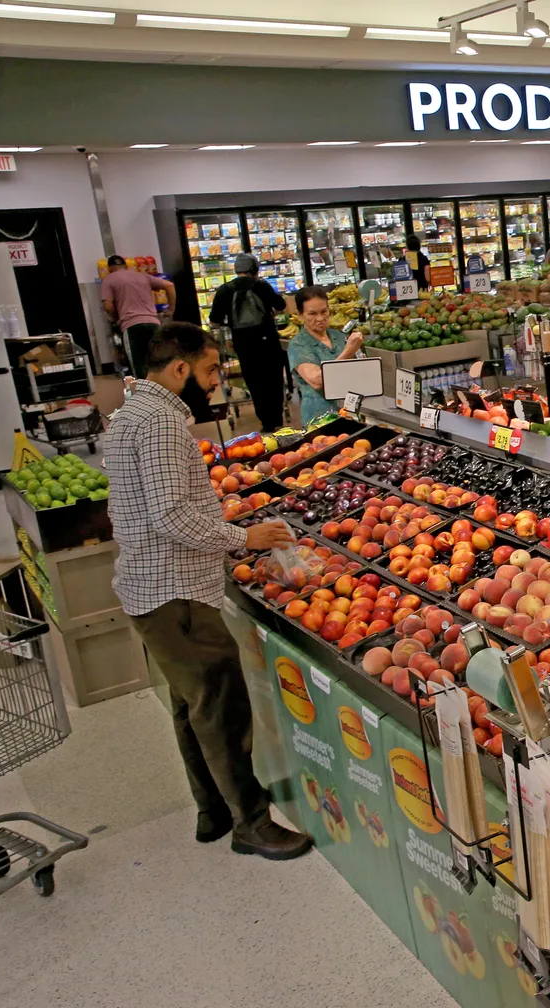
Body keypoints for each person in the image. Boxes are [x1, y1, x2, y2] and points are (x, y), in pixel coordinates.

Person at [104, 322, 311, 859]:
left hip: (150, 588)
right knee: (219, 704)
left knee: (190, 703)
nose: (217, 381)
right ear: (179, 370)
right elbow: (171, 515)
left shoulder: (132, 413)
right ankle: (251, 823)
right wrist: (244, 536)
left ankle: (212, 810)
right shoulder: (162, 426)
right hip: (176, 593)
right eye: (211, 370)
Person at [207, 253, 288, 430]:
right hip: (268, 340)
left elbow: (214, 320)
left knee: (255, 382)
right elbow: (281, 305)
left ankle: (266, 422)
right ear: (255, 270)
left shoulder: (225, 290)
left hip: (243, 344)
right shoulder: (261, 286)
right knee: (273, 380)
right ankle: (277, 420)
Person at [287, 286, 363, 423]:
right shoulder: (298, 345)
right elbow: (317, 381)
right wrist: (348, 352)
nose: (320, 318)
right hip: (320, 418)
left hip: (351, 413)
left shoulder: (339, 337)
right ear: (300, 315)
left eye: (324, 311)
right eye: (312, 314)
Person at [100, 254, 176, 377]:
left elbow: (107, 306)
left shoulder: (109, 279)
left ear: (109, 268)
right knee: (158, 364)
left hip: (132, 327)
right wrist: (171, 309)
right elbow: (169, 285)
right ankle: (163, 393)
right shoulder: (142, 275)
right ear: (125, 266)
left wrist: (117, 318)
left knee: (138, 367)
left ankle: (144, 395)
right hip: (154, 324)